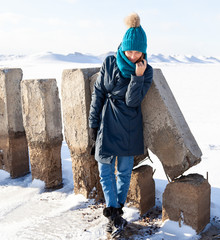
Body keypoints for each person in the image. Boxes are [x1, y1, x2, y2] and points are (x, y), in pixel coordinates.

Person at [88, 12, 153, 235]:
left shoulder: (146, 71)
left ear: (143, 51)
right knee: (104, 169)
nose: (133, 55)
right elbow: (98, 93)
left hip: (128, 125)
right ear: (123, 46)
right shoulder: (109, 62)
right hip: (107, 122)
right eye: (129, 50)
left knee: (124, 172)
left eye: (137, 51)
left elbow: (132, 101)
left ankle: (116, 210)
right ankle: (113, 212)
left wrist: (137, 77)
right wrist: (92, 125)